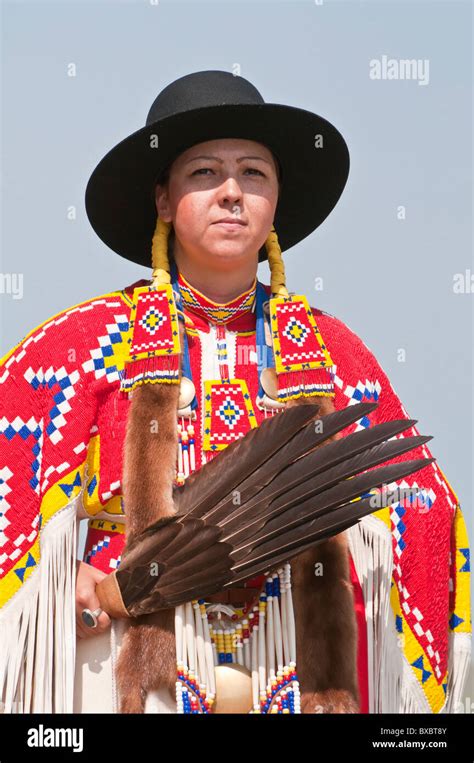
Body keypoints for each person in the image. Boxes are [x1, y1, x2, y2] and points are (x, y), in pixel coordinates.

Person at [0, 70, 470, 715]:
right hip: (119, 655)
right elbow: (12, 493)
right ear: (163, 201)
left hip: (292, 655)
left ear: (276, 202)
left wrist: (354, 533)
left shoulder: (335, 352)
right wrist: (67, 578)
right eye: (204, 174)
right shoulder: (79, 345)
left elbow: (425, 501)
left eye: (254, 174)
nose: (231, 193)